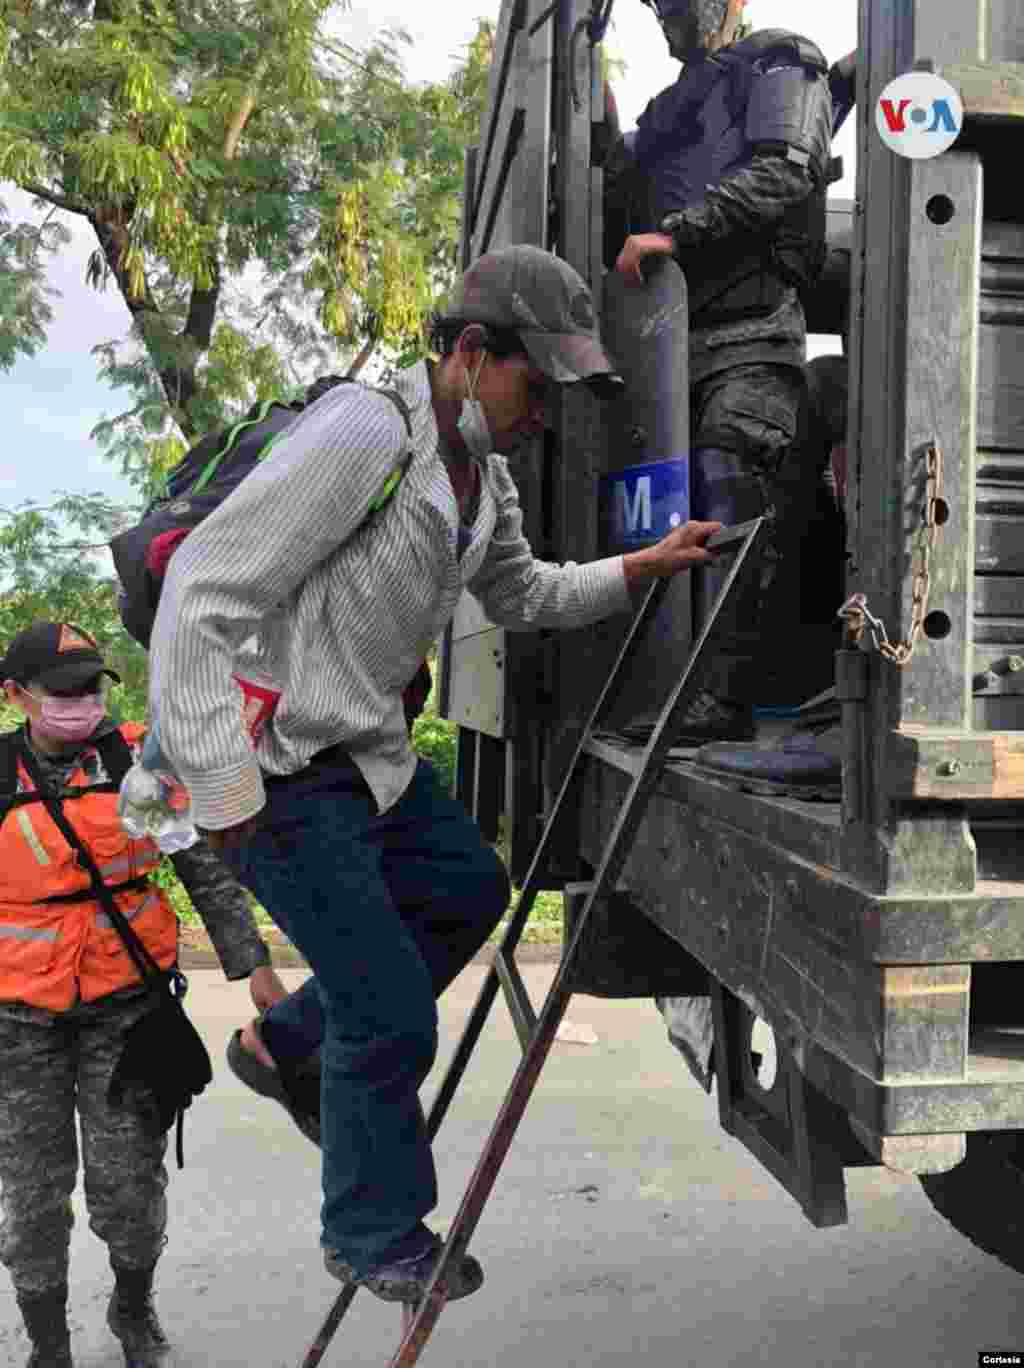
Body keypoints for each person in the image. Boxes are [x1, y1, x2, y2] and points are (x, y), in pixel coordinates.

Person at [146, 242, 722, 1306]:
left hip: (366, 753)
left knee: (467, 890)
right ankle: (372, 1233)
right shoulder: (370, 432)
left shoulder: (482, 477)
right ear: (467, 353)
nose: (542, 410)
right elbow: (200, 587)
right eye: (534, 382)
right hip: (274, 763)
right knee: (391, 1012)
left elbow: (522, 594)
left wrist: (637, 567)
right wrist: (220, 792)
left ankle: (285, 1045)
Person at [0, 621, 287, 1368]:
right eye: (62, 693)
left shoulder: (132, 767)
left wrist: (249, 960)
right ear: (16, 697)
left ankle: (132, 1309)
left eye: (91, 688)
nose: (81, 704)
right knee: (31, 1200)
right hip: (17, 1023)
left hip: (127, 1011)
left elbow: (199, 868)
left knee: (127, 1187)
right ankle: (48, 1344)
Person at [606, 0, 835, 737]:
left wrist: (678, 234)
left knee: (727, 483)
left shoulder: (781, 61)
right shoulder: (673, 110)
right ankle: (674, 691)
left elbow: (787, 171)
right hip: (672, 350)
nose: (672, 18)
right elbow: (623, 178)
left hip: (754, 334)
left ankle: (725, 699)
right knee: (663, 515)